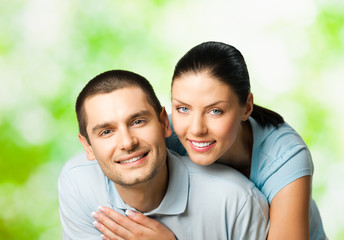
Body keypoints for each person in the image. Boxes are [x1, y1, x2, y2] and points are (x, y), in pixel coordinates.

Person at [97, 42, 327, 240]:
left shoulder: (284, 156)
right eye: (183, 108)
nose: (196, 129)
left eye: (215, 111)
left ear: (246, 107)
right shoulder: (166, 135)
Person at [58, 69, 269, 240]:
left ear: (164, 123)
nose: (127, 142)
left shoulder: (237, 201)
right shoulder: (78, 183)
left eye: (138, 122)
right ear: (87, 146)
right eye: (106, 132)